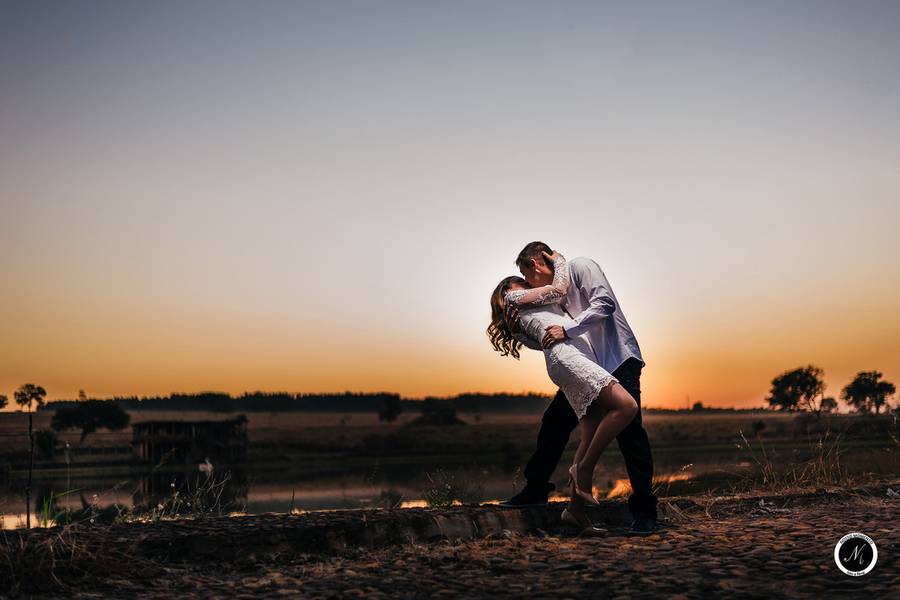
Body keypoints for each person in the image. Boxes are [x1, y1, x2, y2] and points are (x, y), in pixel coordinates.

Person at [500, 241, 659, 536]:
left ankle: (645, 511)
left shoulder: (580, 267)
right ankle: (539, 491)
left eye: (526, 276)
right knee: (555, 424)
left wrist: (568, 330)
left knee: (631, 435)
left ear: (535, 264)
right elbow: (550, 336)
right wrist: (519, 331)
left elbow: (604, 304)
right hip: (586, 365)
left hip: (617, 358)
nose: (527, 284)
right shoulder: (552, 296)